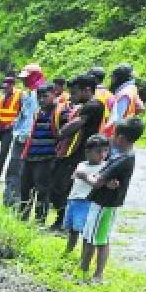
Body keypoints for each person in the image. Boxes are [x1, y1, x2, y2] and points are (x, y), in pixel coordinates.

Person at [80, 117, 143, 284]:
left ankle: (93, 274)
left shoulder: (122, 159)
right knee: (92, 236)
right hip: (103, 202)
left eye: (114, 135)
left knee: (96, 239)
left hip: (104, 204)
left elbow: (98, 181)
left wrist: (83, 175)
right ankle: (86, 270)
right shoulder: (122, 154)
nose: (111, 138)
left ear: (121, 138)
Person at [49, 74, 106, 230]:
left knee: (62, 187)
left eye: (74, 92)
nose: (72, 96)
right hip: (74, 151)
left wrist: (60, 133)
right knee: (60, 186)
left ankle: (64, 223)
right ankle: (62, 222)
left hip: (79, 153)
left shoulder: (94, 105)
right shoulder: (86, 105)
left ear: (87, 90)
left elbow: (78, 123)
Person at [3, 62, 45, 208]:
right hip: (23, 137)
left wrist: (24, 136)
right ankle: (13, 201)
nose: (24, 81)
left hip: (25, 140)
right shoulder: (30, 93)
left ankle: (13, 202)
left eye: (27, 78)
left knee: (17, 172)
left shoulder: (38, 94)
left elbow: (32, 118)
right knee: (17, 172)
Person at [63, 133, 109, 255]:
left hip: (88, 202)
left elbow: (97, 183)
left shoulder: (104, 167)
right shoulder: (81, 164)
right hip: (74, 200)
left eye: (105, 151)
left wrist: (83, 176)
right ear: (88, 152)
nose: (102, 155)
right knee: (73, 229)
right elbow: (74, 178)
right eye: (98, 151)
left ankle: (84, 256)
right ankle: (69, 250)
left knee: (87, 232)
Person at [19, 83, 58, 223]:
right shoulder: (38, 112)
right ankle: (22, 217)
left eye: (45, 96)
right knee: (25, 189)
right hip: (30, 156)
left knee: (42, 190)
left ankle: (39, 220)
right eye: (39, 97)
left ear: (54, 95)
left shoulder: (58, 112)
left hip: (46, 158)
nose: (42, 100)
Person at [102, 63, 143, 139]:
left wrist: (103, 136)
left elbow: (116, 119)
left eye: (113, 78)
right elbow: (141, 107)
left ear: (119, 78)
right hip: (124, 134)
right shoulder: (132, 89)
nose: (112, 81)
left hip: (115, 135)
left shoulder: (124, 93)